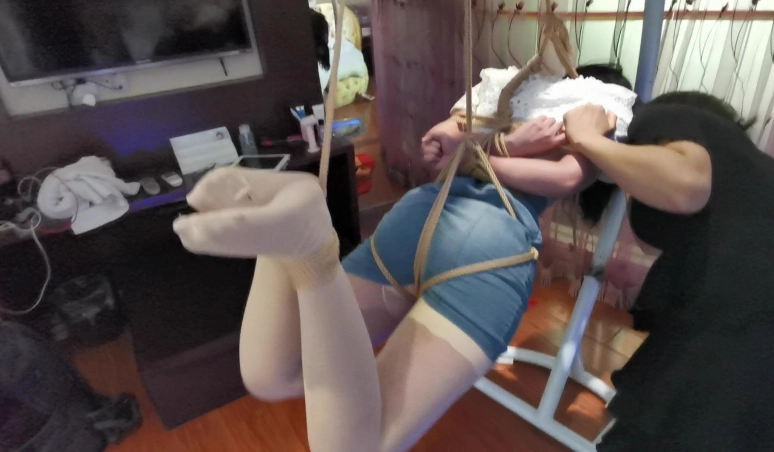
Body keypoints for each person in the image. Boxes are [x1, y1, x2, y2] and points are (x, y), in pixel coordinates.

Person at [171, 65, 635, 452]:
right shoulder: (594, 110)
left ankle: (291, 222)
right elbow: (565, 178)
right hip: (491, 245)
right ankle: (309, 249)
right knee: (353, 446)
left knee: (273, 374)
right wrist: (498, 151)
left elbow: (443, 147)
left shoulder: (506, 95)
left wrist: (483, 148)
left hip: (417, 216)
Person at [561, 91, 774, 451]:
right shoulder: (753, 173)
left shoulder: (668, 116)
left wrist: (587, 138)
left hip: (748, 325)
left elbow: (687, 185)